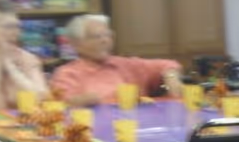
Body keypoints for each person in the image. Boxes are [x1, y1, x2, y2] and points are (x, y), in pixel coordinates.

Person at [50, 15, 183, 107]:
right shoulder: (66, 74)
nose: (105, 40)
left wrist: (171, 76)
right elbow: (63, 104)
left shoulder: (125, 64)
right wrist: (82, 101)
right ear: (76, 44)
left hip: (135, 128)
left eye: (108, 35)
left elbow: (167, 64)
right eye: (97, 36)